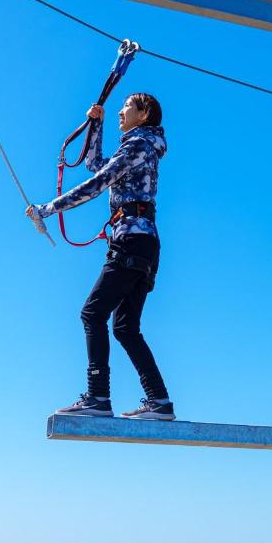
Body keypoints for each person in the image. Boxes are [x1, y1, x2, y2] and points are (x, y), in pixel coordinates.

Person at [26, 93, 174, 421]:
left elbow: (97, 182)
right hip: (144, 244)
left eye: (127, 107)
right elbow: (97, 164)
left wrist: (48, 209)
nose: (121, 111)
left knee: (92, 314)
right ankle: (160, 401)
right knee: (124, 327)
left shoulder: (138, 146)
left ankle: (97, 396)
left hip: (131, 243)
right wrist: (97, 125)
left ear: (144, 113)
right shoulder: (140, 146)